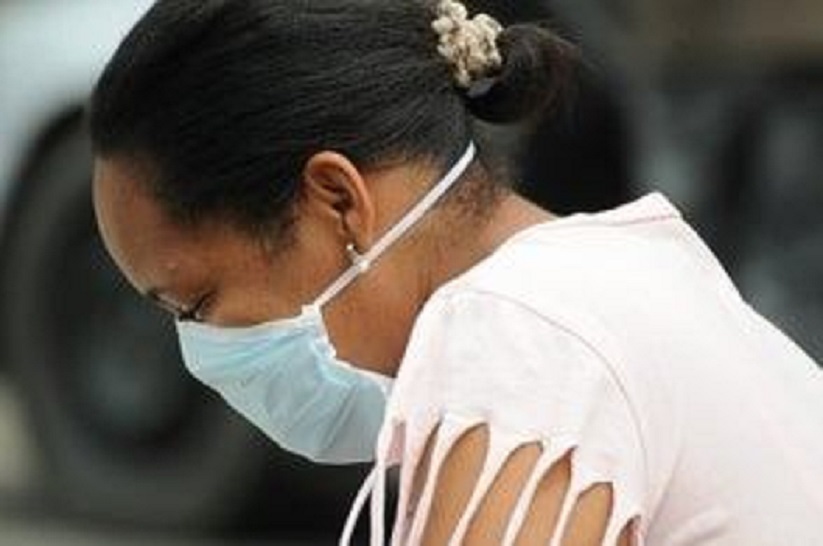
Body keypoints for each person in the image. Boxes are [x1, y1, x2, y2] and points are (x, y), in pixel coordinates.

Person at [89, 1, 823, 544]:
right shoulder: (622, 274)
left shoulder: (518, 338)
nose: (202, 352)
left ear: (338, 201)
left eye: (196, 303)